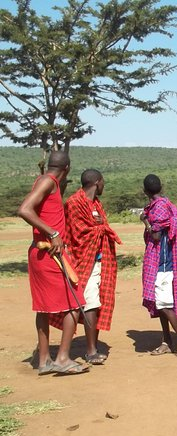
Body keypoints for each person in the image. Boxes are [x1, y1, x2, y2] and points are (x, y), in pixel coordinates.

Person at [17, 151, 89, 375]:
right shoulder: (49, 182)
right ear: (67, 168)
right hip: (50, 253)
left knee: (44, 307)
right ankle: (63, 358)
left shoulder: (44, 180)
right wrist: (53, 232)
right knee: (75, 302)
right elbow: (24, 209)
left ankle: (44, 360)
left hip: (40, 252)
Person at [52, 169, 121, 365]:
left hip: (99, 261)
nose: (104, 186)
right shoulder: (74, 203)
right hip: (83, 261)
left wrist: (100, 228)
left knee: (97, 303)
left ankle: (93, 346)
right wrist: (100, 229)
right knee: (90, 303)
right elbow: (79, 234)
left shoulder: (96, 204)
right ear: (97, 182)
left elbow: (98, 227)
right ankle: (91, 351)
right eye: (103, 182)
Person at [141, 174, 177, 358]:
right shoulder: (164, 205)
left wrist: (145, 221)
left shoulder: (159, 208)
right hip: (163, 264)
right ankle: (167, 341)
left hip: (164, 265)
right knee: (160, 303)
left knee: (164, 305)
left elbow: (155, 236)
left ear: (145, 191)